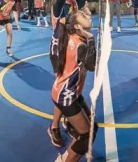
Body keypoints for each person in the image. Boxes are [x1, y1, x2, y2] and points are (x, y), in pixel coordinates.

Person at [51, 9, 97, 162]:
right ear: (77, 26)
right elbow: (91, 65)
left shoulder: (70, 36)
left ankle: (67, 156)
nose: (88, 16)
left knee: (91, 129)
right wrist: (91, 39)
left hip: (70, 93)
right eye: (84, 16)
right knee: (86, 135)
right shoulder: (80, 45)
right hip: (66, 96)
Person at [48, 0, 81, 148]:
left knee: (73, 86)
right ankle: (54, 127)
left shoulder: (74, 3)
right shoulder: (57, 4)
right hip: (59, 48)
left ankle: (68, 120)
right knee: (62, 88)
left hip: (72, 47)